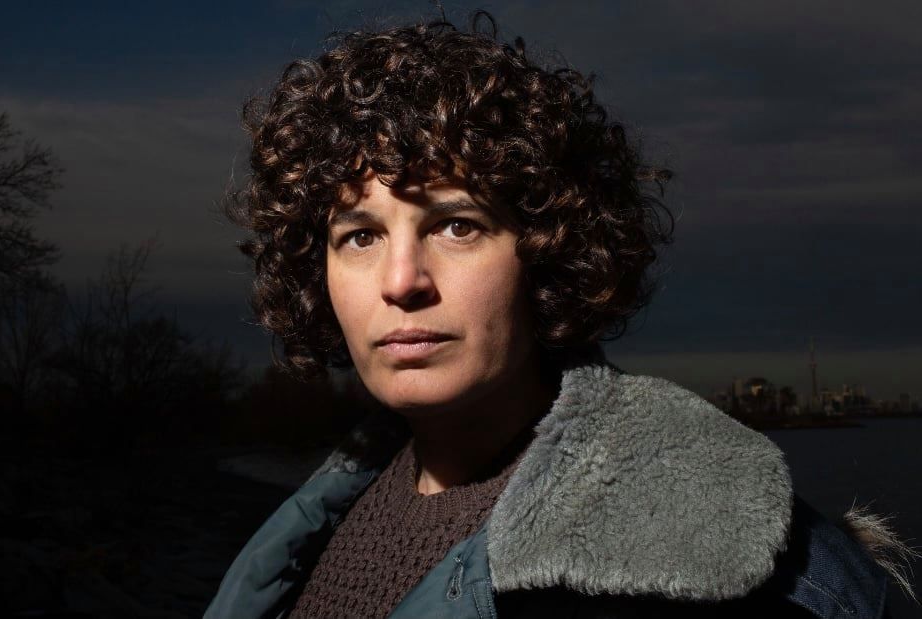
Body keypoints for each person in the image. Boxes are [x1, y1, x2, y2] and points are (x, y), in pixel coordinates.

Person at [205, 10, 915, 619]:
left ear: (547, 250)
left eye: (457, 226)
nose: (402, 281)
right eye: (360, 236)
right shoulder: (324, 506)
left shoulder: (724, 564)